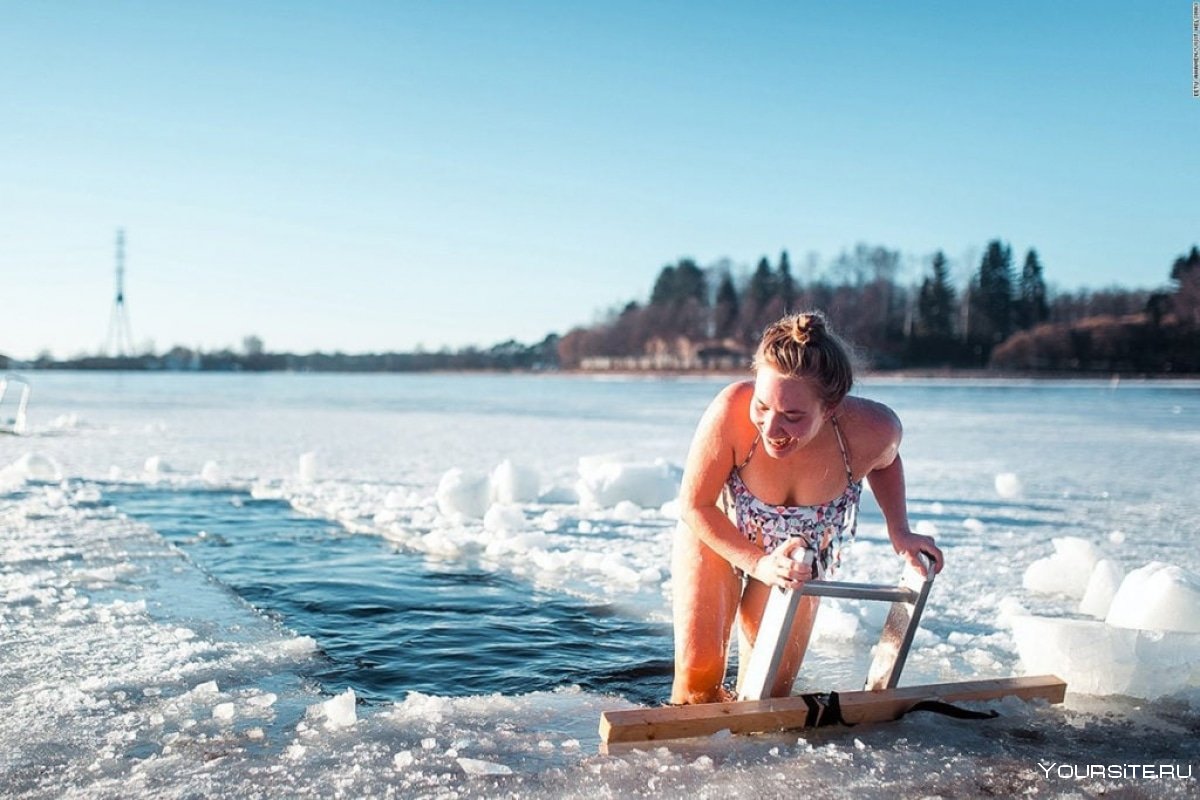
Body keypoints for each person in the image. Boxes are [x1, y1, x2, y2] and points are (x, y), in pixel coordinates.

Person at [670, 311, 944, 704]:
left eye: (792, 416)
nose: (770, 428)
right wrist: (757, 562)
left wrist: (899, 529)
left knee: (769, 693)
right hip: (718, 534)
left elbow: (885, 461)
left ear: (830, 408)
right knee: (698, 678)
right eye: (762, 407)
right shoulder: (730, 410)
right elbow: (694, 506)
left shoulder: (874, 428)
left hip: (797, 558)